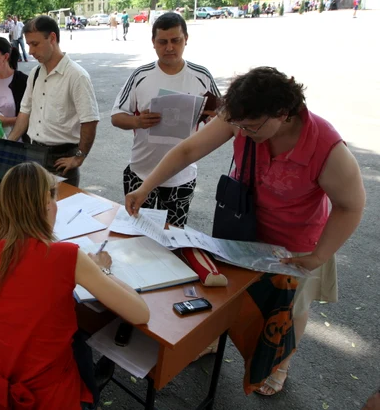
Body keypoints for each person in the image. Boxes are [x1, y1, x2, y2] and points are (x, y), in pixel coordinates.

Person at [125, 67, 365, 396]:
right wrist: (145, 187)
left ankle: (278, 362)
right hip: (242, 228)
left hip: (296, 245)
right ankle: (212, 340)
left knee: (288, 307)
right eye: (239, 125)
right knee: (227, 295)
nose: (242, 132)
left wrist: (320, 256)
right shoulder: (241, 118)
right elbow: (187, 150)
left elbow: (350, 205)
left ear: (283, 114)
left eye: (251, 127)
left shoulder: (325, 145)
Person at [0, 161, 150, 410]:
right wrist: (100, 268)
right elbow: (141, 313)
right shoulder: (67, 256)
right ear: (46, 203)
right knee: (79, 337)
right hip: (54, 399)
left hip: (3, 395)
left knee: (74, 334)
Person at [112, 12, 220, 227]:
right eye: (163, 42)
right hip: (141, 172)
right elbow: (116, 116)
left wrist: (212, 116)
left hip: (182, 177)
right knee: (140, 237)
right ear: (153, 43)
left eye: (175, 40)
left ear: (186, 39)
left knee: (174, 239)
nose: (169, 47)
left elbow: (220, 118)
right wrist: (137, 122)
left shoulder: (202, 76)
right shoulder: (140, 75)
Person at [7, 15, 100, 187]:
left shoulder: (76, 75)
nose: (30, 51)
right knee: (33, 208)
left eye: (35, 44)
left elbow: (90, 120)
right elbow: (25, 112)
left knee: (61, 210)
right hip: (33, 153)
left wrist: (79, 157)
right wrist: (7, 145)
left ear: (52, 38)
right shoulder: (35, 73)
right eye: (28, 45)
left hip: (60, 158)